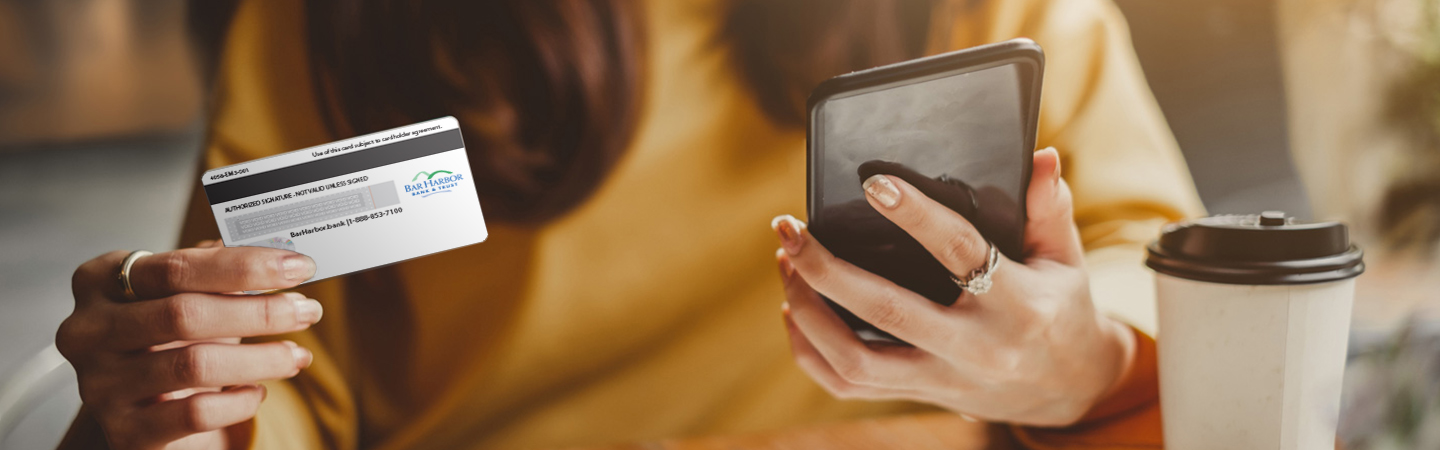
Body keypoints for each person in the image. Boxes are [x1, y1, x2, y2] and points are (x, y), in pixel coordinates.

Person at [56, 0, 1204, 448]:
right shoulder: (337, 27)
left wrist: (1078, 369)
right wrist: (180, 402)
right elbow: (271, 371)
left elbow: (1165, 287)